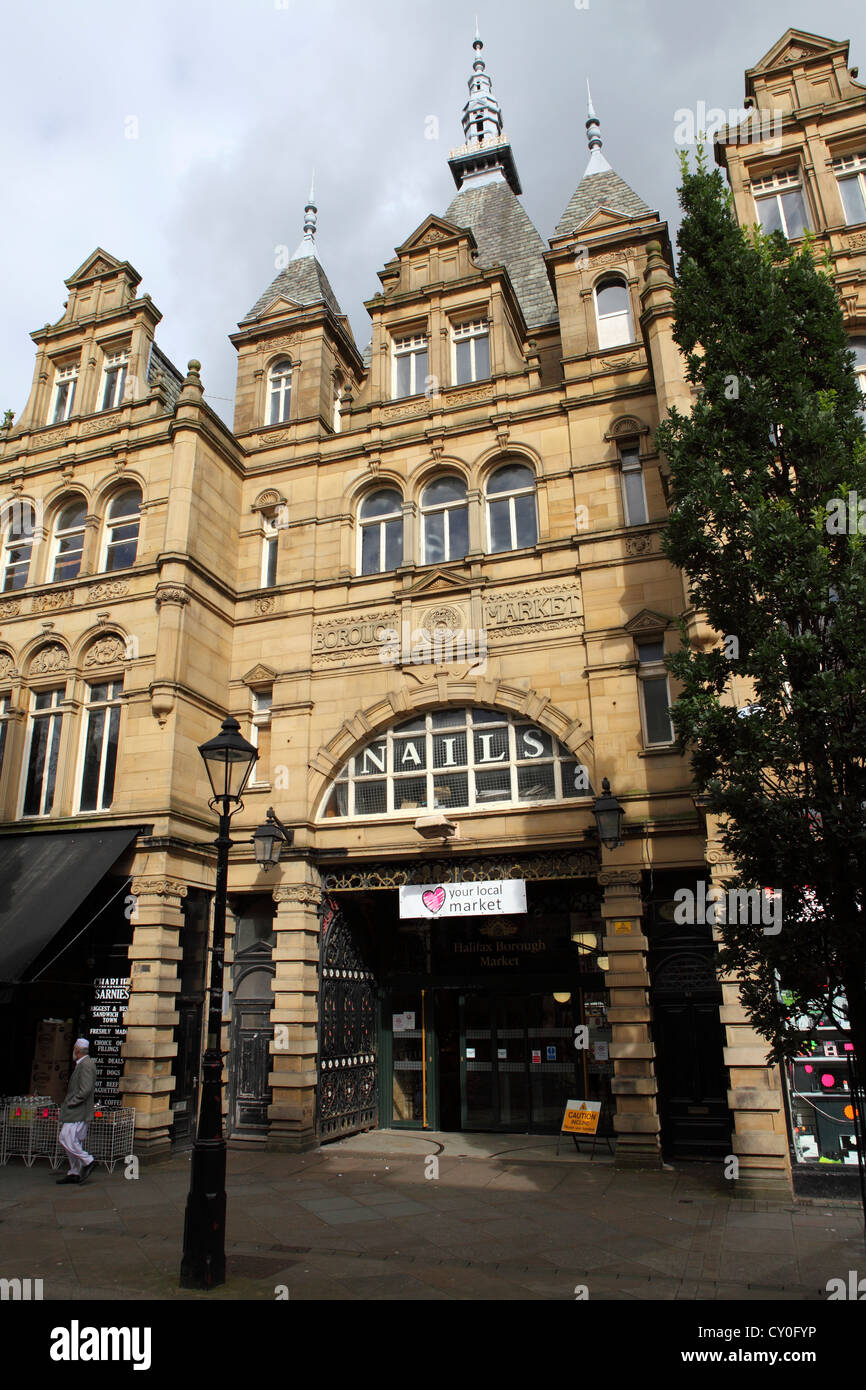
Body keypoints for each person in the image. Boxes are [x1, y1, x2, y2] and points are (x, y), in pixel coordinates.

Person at [56, 1038, 97, 1185]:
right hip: (77, 1110)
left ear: (77, 1050)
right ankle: (74, 1172)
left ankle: (88, 1160)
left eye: (74, 1049)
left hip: (77, 1110)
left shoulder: (86, 1065)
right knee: (74, 1140)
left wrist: (71, 1103)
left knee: (65, 1137)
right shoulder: (83, 1064)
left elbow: (85, 1089)